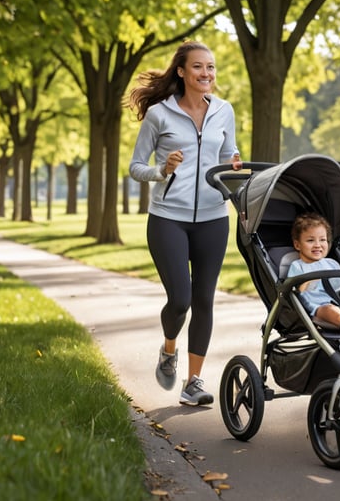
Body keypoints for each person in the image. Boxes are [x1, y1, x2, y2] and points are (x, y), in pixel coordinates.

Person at [128, 41, 242, 406]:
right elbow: (135, 167)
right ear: (181, 71)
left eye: (210, 67)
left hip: (212, 218)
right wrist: (162, 171)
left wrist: (233, 166)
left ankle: (193, 382)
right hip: (168, 218)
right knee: (180, 300)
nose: (206, 74)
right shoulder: (159, 115)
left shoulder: (224, 111)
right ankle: (168, 348)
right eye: (198, 67)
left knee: (204, 300)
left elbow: (227, 157)